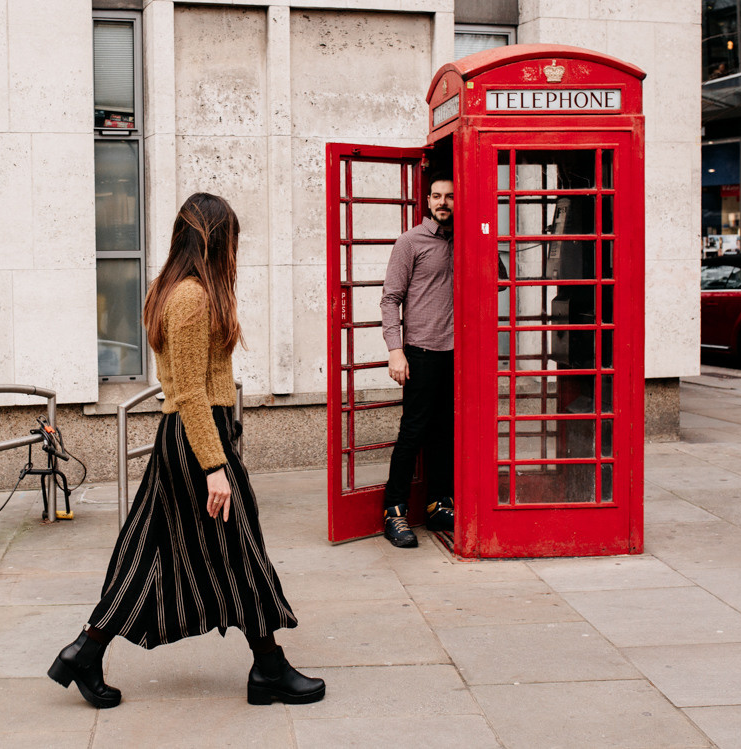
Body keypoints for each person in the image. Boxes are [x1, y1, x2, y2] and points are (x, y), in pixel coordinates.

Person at [48, 192, 324, 708]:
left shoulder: (170, 289)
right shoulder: (193, 297)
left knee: (147, 549)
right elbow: (193, 392)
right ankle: (268, 668)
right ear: (213, 240)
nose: (235, 251)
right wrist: (215, 466)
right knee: (241, 548)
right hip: (199, 439)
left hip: (182, 438)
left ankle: (84, 652)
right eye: (231, 240)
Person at [378, 177, 456, 548]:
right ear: (427, 199)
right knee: (413, 433)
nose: (443, 202)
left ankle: (439, 504)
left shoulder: (466, 240)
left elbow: (500, 280)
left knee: (446, 432)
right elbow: (390, 298)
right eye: (437, 196)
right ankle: (394, 511)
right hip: (421, 352)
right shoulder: (410, 242)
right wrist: (395, 349)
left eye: (451, 197)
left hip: (458, 354)